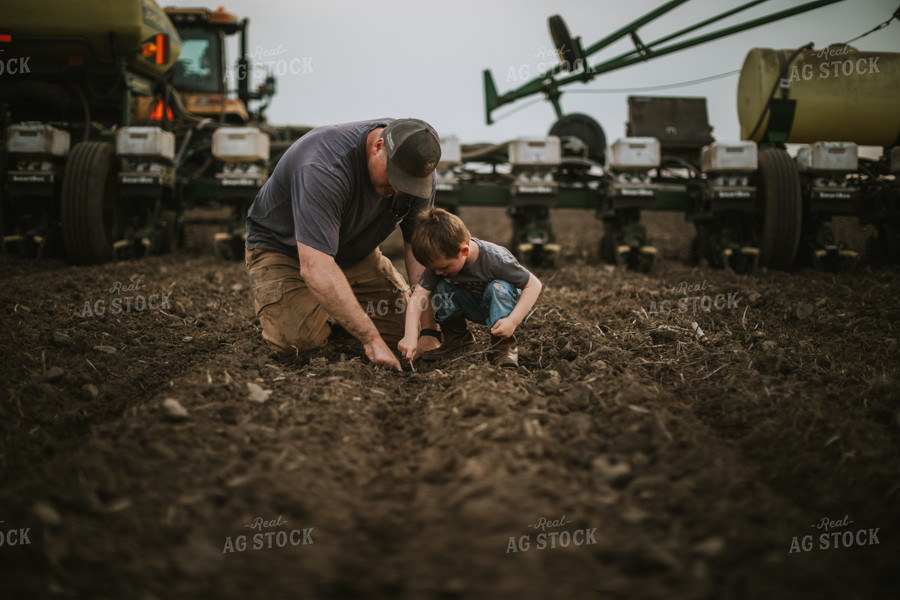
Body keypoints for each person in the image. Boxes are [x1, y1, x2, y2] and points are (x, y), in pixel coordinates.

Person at [244, 118, 443, 370]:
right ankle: (322, 309)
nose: (401, 190)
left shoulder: (417, 169)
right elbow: (316, 264)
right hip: (286, 251)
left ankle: (337, 307)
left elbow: (419, 250)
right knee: (299, 345)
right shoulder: (323, 166)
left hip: (355, 252)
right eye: (396, 178)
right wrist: (370, 339)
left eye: (409, 183)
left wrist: (428, 331)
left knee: (405, 332)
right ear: (378, 147)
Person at [398, 208, 543, 368]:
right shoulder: (439, 265)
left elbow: (534, 284)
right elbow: (418, 296)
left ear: (464, 251)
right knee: (441, 286)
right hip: (473, 305)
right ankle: (457, 339)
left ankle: (504, 346)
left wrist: (512, 321)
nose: (438, 272)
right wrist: (410, 336)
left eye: (444, 267)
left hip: (503, 308)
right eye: (435, 269)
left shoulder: (495, 259)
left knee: (498, 286)